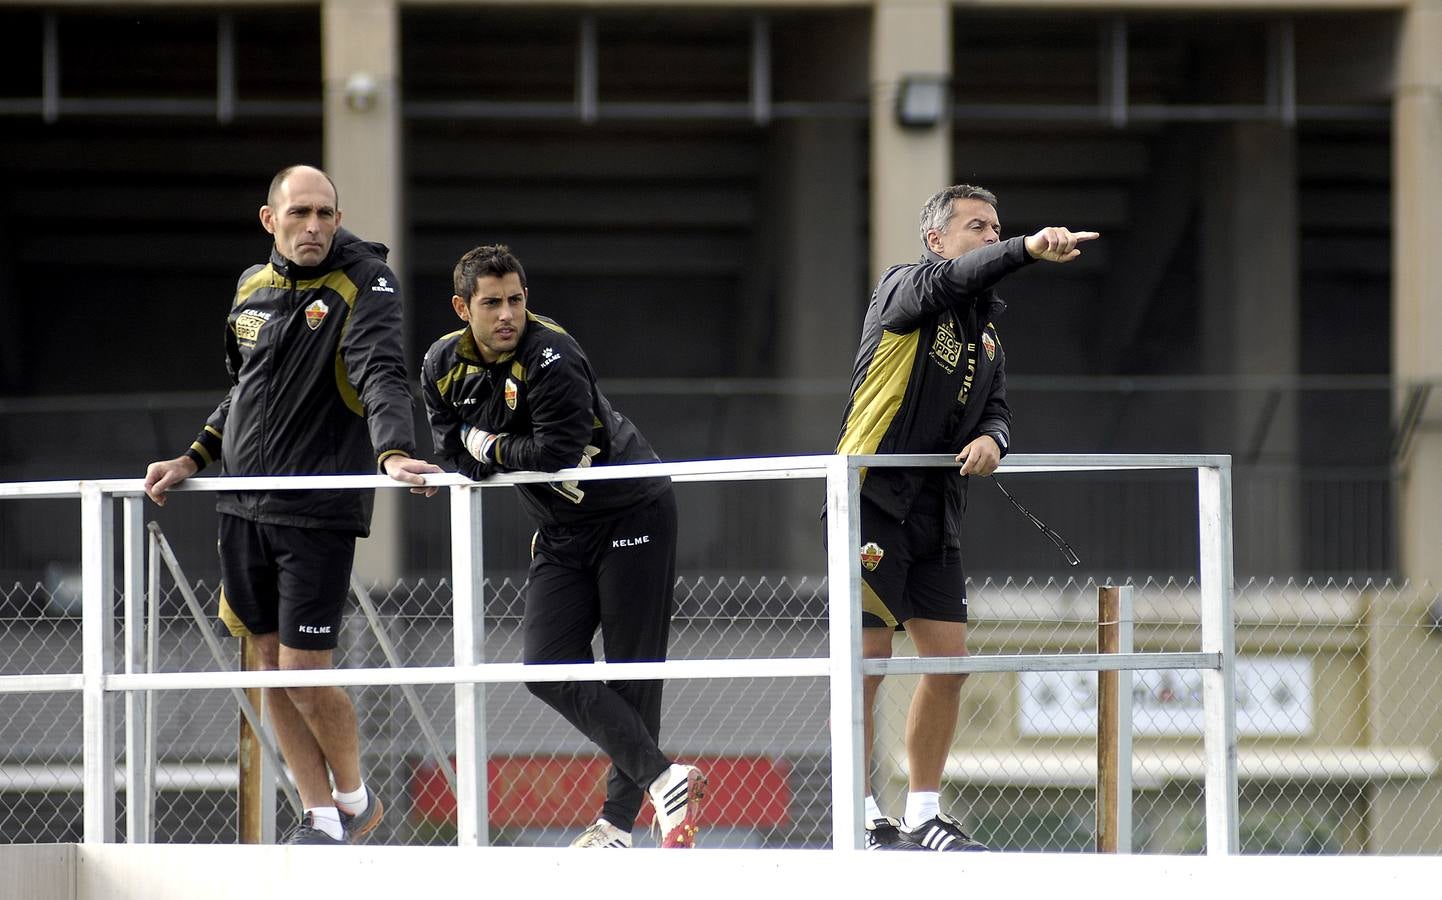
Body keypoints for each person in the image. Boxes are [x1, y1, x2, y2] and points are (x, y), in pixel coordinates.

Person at [143, 164, 443, 845]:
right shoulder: (251, 287)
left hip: (315, 514)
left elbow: (381, 373)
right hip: (243, 510)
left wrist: (393, 452)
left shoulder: (366, 282)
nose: (314, 226)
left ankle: (356, 798)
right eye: (301, 213)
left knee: (304, 673)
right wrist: (192, 457)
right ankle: (322, 819)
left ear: (339, 219)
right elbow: (244, 395)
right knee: (267, 669)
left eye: (326, 214)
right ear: (268, 219)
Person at [832, 184, 1097, 851]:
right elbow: (963, 276)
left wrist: (993, 442)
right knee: (867, 660)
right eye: (977, 225)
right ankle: (861, 812)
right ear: (936, 240)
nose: (989, 235)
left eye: (997, 226)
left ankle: (923, 811)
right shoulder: (903, 288)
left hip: (935, 510)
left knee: (949, 665)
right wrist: (1029, 248)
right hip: (869, 497)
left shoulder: (988, 338)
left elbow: (998, 410)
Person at [420, 244, 704, 849]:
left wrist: (484, 445)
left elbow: (550, 454)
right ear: (461, 308)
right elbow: (447, 447)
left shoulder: (554, 355)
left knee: (633, 674)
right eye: (491, 303)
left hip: (632, 511)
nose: (507, 315)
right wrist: (478, 447)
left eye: (516, 300)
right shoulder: (441, 362)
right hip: (559, 531)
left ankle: (617, 826)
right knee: (546, 666)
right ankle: (662, 776)